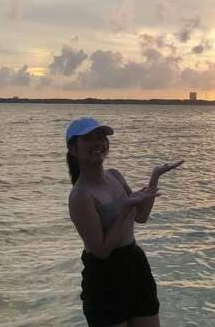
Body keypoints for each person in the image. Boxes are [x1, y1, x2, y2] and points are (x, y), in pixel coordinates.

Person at [65, 117, 183, 327]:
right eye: (88, 139)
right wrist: (126, 207)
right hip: (104, 276)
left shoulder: (115, 176)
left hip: (135, 264)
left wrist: (154, 177)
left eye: (101, 138)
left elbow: (141, 217)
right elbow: (101, 251)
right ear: (73, 149)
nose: (98, 143)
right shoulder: (80, 196)